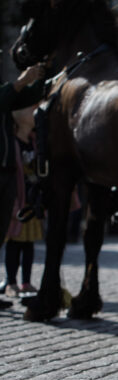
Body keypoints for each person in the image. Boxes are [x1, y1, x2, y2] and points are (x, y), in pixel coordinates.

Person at [0, 62, 45, 310]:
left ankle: (16, 283)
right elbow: (8, 95)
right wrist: (21, 80)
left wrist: (40, 75)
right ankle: (11, 280)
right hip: (4, 176)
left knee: (3, 234)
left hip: (8, 177)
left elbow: (28, 97)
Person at [2, 106, 43, 298]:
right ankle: (11, 282)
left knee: (29, 244)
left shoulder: (35, 142)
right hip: (18, 200)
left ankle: (26, 282)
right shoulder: (13, 143)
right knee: (14, 244)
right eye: (29, 111)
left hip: (33, 202)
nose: (34, 113)